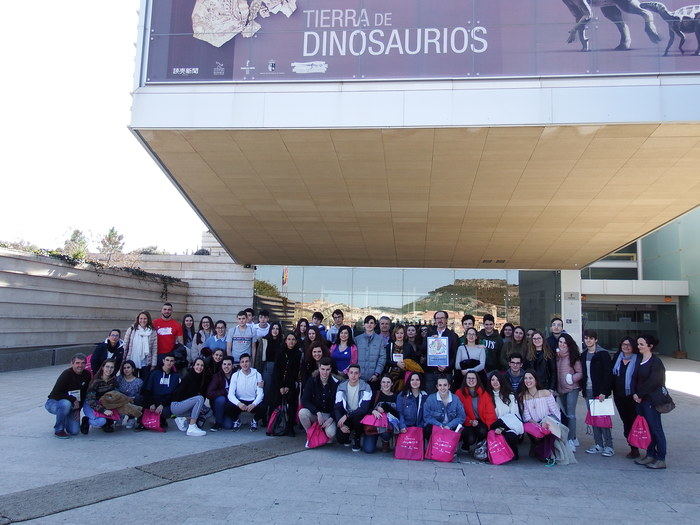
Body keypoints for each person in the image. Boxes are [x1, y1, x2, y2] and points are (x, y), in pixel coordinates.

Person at [633, 335, 668, 469]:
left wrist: (640, 394)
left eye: (642, 344)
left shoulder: (656, 362)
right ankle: (650, 454)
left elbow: (654, 381)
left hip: (651, 401)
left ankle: (661, 458)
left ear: (650, 346)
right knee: (648, 429)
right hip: (641, 400)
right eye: (638, 344)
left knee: (656, 428)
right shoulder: (640, 359)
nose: (639, 346)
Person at [580, 329, 614, 456]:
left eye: (591, 338)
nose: (588, 340)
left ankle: (609, 446)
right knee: (593, 419)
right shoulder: (583, 355)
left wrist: (604, 391)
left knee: (603, 420)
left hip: (599, 392)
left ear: (596, 339)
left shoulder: (603, 354)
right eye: (586, 338)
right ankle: (598, 444)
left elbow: (608, 374)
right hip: (588, 391)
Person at [520, 370, 561, 465]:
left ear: (536, 380)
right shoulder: (524, 397)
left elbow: (555, 412)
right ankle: (541, 453)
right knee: (538, 432)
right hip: (535, 423)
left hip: (549, 421)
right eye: (525, 378)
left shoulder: (546, 393)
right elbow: (527, 417)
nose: (527, 380)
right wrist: (538, 425)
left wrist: (552, 423)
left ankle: (546, 455)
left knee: (548, 432)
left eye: (530, 378)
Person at [45, 353, 91, 438]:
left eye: (83, 363)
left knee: (74, 431)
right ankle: (59, 430)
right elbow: (55, 394)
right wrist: (73, 399)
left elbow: (83, 394)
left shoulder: (87, 375)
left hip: (73, 405)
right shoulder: (66, 374)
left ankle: (65, 417)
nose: (80, 365)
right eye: (77, 363)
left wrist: (78, 409)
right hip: (55, 402)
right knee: (66, 404)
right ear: (72, 363)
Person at [612, 337, 641, 458]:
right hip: (619, 396)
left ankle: (637, 447)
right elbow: (612, 375)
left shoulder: (638, 359)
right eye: (624, 344)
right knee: (626, 422)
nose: (626, 347)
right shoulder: (617, 357)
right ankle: (632, 446)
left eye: (629, 345)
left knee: (634, 421)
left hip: (633, 397)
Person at [334, 364, 373, 451]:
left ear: (359, 374)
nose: (353, 375)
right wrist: (341, 424)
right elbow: (337, 407)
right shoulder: (341, 386)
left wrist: (347, 416)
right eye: (351, 373)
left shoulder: (366, 387)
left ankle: (357, 438)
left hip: (359, 415)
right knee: (341, 438)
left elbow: (363, 409)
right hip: (346, 414)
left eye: (356, 373)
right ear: (347, 374)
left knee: (357, 417)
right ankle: (348, 436)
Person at [300, 357, 339, 444]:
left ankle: (323, 433)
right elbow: (304, 400)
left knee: (331, 434)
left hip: (329, 415)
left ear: (331, 369)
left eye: (327, 369)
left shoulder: (336, 383)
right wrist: (317, 412)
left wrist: (331, 418)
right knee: (302, 413)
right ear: (319, 368)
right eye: (323, 369)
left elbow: (339, 405)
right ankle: (310, 434)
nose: (325, 372)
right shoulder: (312, 381)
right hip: (316, 413)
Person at [455, 371, 496, 453]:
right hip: (466, 421)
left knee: (483, 430)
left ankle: (480, 445)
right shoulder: (459, 393)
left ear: (477, 380)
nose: (471, 380)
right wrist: (469, 421)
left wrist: (490, 429)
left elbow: (490, 412)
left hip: (481, 421)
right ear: (465, 380)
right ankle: (465, 443)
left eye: (473, 378)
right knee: (470, 439)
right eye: (469, 378)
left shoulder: (484, 393)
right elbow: (458, 412)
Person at [555, 333, 582, 452]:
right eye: (560, 342)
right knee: (564, 414)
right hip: (561, 390)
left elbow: (580, 373)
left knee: (571, 414)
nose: (562, 344)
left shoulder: (573, 356)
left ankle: (571, 440)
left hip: (572, 389)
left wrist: (572, 378)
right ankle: (572, 436)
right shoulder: (557, 356)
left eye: (564, 342)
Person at [139, 353, 180, 431]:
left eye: (171, 361)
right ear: (163, 361)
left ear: (174, 362)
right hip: (153, 400)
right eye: (167, 360)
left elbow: (174, 394)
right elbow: (147, 389)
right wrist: (151, 403)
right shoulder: (154, 373)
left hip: (165, 402)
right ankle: (140, 422)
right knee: (139, 399)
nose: (169, 362)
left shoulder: (175, 376)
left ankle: (161, 419)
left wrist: (162, 405)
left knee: (166, 411)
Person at [487, 371, 523, 459]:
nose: (495, 382)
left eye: (497, 380)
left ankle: (512, 452)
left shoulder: (510, 396)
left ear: (502, 381)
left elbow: (514, 415)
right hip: (493, 426)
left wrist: (502, 428)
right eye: (492, 380)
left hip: (509, 426)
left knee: (510, 436)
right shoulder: (487, 396)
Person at [422, 311, 460, 394]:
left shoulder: (453, 336)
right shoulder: (429, 334)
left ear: (446, 320)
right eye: (437, 318)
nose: (440, 320)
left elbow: (455, 355)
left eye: (442, 318)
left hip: (446, 373)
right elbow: (423, 350)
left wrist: (447, 366)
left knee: (445, 398)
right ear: (435, 320)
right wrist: (431, 342)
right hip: (431, 373)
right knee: (431, 397)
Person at [170, 357, 208, 436]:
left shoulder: (202, 378)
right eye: (197, 364)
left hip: (186, 405)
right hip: (177, 405)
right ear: (193, 366)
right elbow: (187, 396)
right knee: (199, 398)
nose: (199, 367)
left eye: (202, 365)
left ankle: (183, 419)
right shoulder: (189, 377)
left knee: (208, 411)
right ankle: (192, 427)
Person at [273, 332, 302, 435]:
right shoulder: (280, 352)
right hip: (279, 383)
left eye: (293, 339)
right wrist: (281, 386)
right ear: (285, 341)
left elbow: (295, 371)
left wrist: (288, 386)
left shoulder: (298, 354)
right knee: (277, 404)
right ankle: (274, 426)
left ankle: (290, 427)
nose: (291, 341)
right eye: (289, 339)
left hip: (291, 384)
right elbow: (277, 370)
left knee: (292, 405)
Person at [228, 353, 265, 431]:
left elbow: (260, 393)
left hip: (252, 401)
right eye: (242, 362)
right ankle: (237, 421)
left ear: (250, 362)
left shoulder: (257, 375)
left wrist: (254, 404)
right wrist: (239, 404)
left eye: (247, 361)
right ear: (240, 363)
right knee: (227, 406)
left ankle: (254, 421)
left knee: (264, 406)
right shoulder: (235, 375)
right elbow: (230, 394)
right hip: (240, 402)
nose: (245, 364)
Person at [423, 376, 466, 442]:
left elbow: (461, 417)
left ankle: (452, 448)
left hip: (451, 427)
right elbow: (427, 417)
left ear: (449, 386)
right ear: (437, 387)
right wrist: (440, 425)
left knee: (462, 430)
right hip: (437, 427)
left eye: (445, 385)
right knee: (427, 429)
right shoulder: (430, 399)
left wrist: (449, 426)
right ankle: (434, 447)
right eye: (440, 385)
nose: (442, 388)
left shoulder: (455, 399)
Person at [81, 358, 118, 434]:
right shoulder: (96, 381)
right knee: (100, 422)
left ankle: (107, 422)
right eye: (107, 366)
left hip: (104, 404)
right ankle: (86, 420)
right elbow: (90, 400)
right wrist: (103, 411)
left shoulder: (114, 381)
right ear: (103, 367)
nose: (109, 369)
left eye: (112, 367)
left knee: (117, 414)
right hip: (91, 404)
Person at [363, 375, 399, 453]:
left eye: (388, 382)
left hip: (387, 427)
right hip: (373, 426)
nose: (386, 384)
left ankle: (385, 441)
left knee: (386, 432)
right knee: (368, 450)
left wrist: (386, 408)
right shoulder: (375, 394)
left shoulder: (396, 396)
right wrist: (373, 411)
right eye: (383, 382)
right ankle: (373, 438)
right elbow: (364, 408)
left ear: (392, 383)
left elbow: (398, 413)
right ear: (380, 383)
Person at [384, 324, 422, 391]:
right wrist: (396, 364)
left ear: (404, 334)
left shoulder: (408, 346)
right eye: (397, 333)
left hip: (404, 376)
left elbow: (414, 360)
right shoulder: (389, 346)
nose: (399, 335)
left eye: (401, 333)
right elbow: (385, 361)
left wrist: (407, 364)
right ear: (394, 334)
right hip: (391, 377)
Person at [123, 311, 158, 380]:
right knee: (132, 380)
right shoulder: (132, 330)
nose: (143, 320)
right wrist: (123, 360)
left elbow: (154, 349)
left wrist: (153, 364)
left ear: (148, 320)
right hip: (132, 361)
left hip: (146, 362)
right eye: (141, 318)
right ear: (138, 319)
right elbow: (125, 345)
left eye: (145, 318)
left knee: (144, 381)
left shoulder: (152, 331)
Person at [355, 315, 386, 389]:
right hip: (359, 377)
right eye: (367, 323)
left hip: (373, 378)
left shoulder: (380, 340)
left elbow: (382, 358)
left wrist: (376, 374)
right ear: (364, 325)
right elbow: (353, 357)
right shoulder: (357, 339)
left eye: (371, 323)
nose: (369, 325)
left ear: (375, 325)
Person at [261, 322, 284, 417]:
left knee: (275, 393)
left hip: (279, 368)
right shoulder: (264, 340)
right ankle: (263, 417)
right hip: (268, 367)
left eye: (277, 328)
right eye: (273, 328)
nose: (275, 330)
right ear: (270, 329)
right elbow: (259, 356)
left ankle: (272, 416)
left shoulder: (282, 341)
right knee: (266, 392)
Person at [207, 356, 236, 431]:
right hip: (219, 404)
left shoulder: (236, 375)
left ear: (232, 366)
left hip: (231, 406)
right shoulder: (217, 376)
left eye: (229, 364)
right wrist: (225, 391)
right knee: (221, 399)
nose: (226, 366)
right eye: (224, 364)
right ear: (221, 365)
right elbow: (209, 393)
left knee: (228, 426)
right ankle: (218, 422)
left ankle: (222, 417)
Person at [117, 360, 144, 428]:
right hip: (121, 401)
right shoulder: (119, 379)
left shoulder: (139, 381)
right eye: (124, 368)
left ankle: (131, 418)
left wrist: (132, 398)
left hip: (132, 401)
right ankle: (120, 417)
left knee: (138, 399)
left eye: (128, 367)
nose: (126, 370)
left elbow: (140, 395)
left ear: (133, 369)